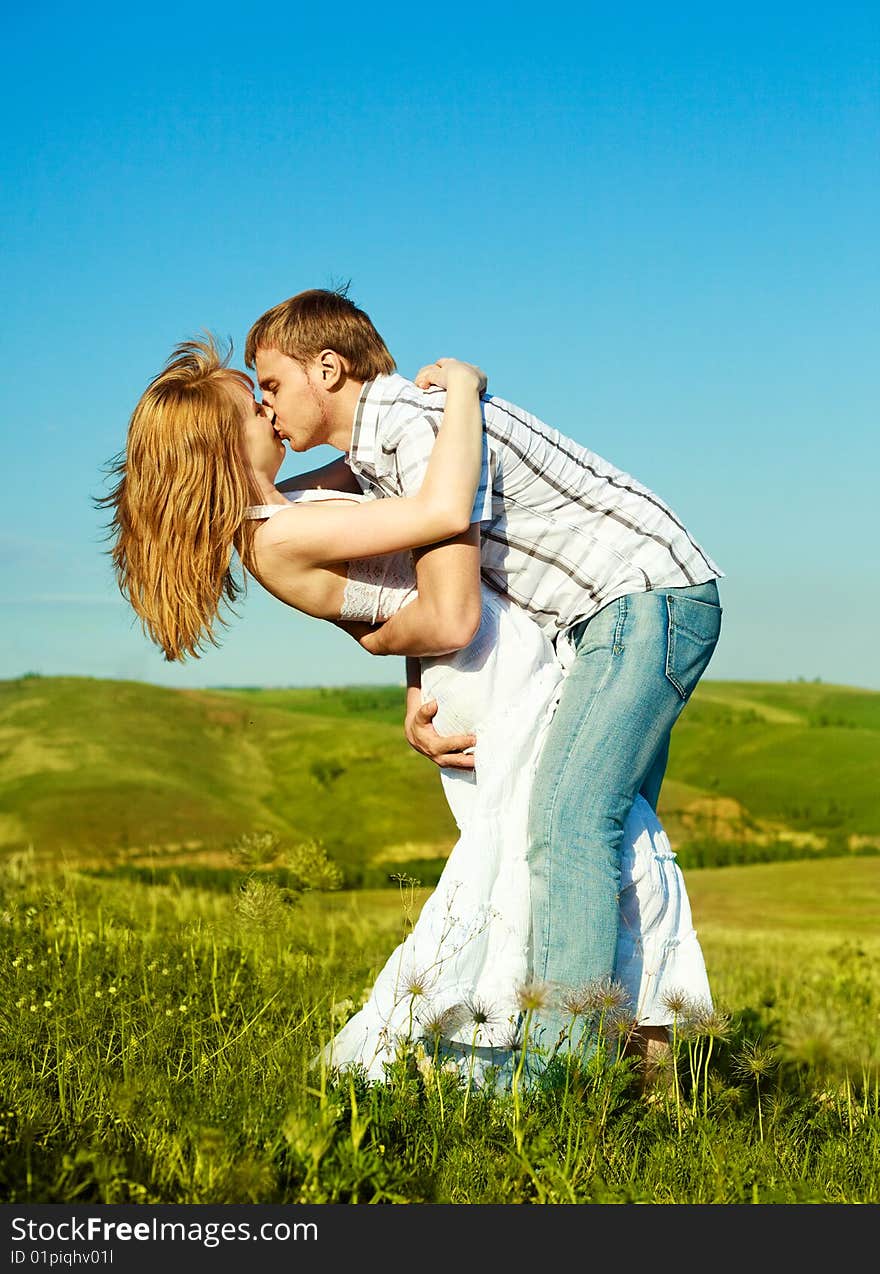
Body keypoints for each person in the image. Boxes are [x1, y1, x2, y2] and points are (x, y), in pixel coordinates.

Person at [100, 335, 713, 1090]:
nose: (266, 403)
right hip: (495, 672)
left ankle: (623, 1074)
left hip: (490, 661)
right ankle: (575, 1070)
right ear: (223, 444)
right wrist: (464, 391)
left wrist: (405, 668)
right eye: (250, 401)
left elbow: (395, 549)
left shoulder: (290, 508)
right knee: (575, 847)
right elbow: (439, 514)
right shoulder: (279, 532)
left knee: (590, 848)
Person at [244, 287, 724, 1070]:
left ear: (327, 369)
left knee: (569, 824)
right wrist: (414, 683)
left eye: (270, 384)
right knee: (617, 839)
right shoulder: (382, 445)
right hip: (615, 616)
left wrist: (382, 649)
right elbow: (425, 573)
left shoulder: (416, 424)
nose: (267, 407)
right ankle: (647, 1074)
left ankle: (563, 1070)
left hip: (642, 601)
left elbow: (448, 596)